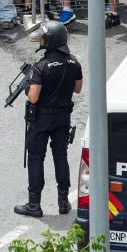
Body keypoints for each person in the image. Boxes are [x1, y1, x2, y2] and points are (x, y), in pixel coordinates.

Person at [14, 21, 83, 218]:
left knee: (36, 158)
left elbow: (33, 97)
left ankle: (34, 204)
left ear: (51, 40)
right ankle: (63, 202)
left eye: (44, 37)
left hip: (41, 119)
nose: (41, 40)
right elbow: (77, 89)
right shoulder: (74, 62)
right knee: (60, 156)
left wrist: (29, 86)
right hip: (63, 117)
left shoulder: (41, 67)